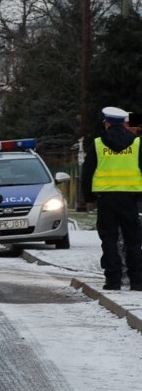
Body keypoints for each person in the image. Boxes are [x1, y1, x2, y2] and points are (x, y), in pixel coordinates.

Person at [81, 106, 142, 291]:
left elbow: (87, 172)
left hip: (106, 199)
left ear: (107, 124)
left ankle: (113, 280)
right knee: (134, 240)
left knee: (109, 239)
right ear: (124, 124)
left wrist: (89, 197)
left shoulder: (98, 144)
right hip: (131, 199)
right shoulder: (137, 144)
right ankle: (137, 281)